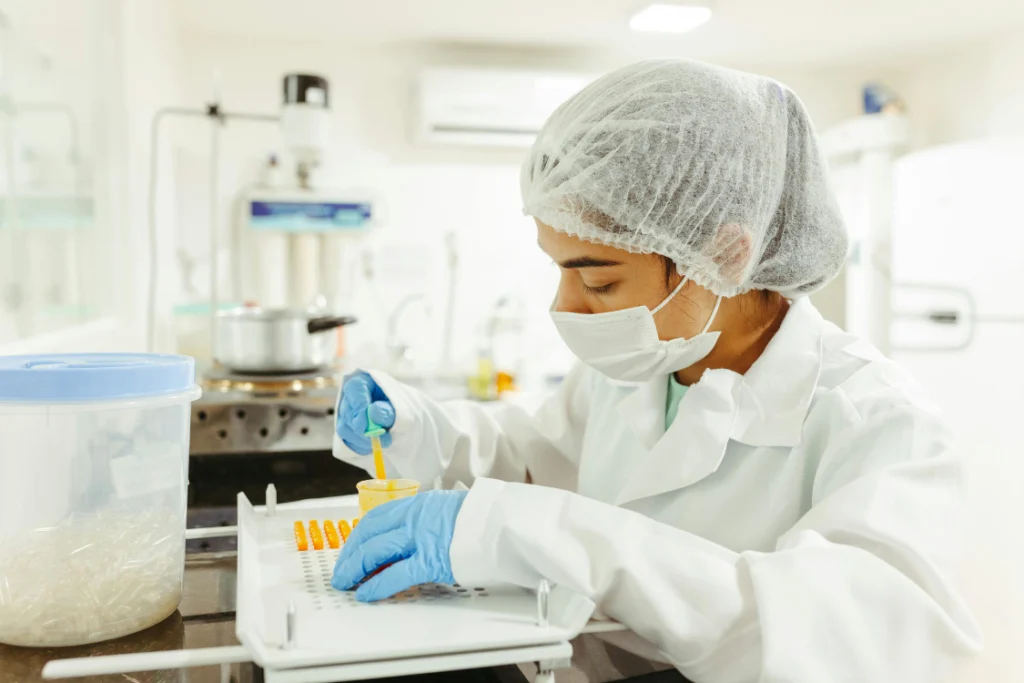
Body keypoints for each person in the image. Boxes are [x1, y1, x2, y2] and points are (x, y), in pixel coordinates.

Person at [330, 60, 981, 682]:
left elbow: (848, 643)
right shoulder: (641, 368)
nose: (565, 306)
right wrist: (417, 427)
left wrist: (557, 536)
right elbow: (536, 460)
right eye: (559, 270)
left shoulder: (882, 422)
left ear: (723, 255)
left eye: (600, 280)